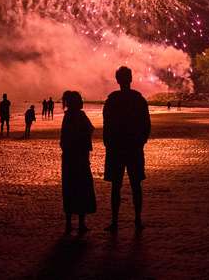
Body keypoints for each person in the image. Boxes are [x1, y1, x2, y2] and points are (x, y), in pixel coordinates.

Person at [102, 66, 151, 233]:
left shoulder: (112, 100)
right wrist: (140, 142)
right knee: (136, 185)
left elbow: (106, 125)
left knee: (116, 186)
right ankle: (137, 219)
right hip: (134, 148)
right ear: (130, 79)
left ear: (117, 80)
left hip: (116, 148)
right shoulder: (139, 99)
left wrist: (108, 143)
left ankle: (115, 221)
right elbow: (146, 125)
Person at [60, 90, 96, 234]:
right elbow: (89, 129)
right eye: (80, 99)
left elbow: (64, 139)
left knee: (70, 188)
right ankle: (80, 223)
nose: (82, 101)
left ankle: (69, 223)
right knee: (82, 188)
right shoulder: (79, 116)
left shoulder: (67, 116)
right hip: (79, 157)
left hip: (69, 158)